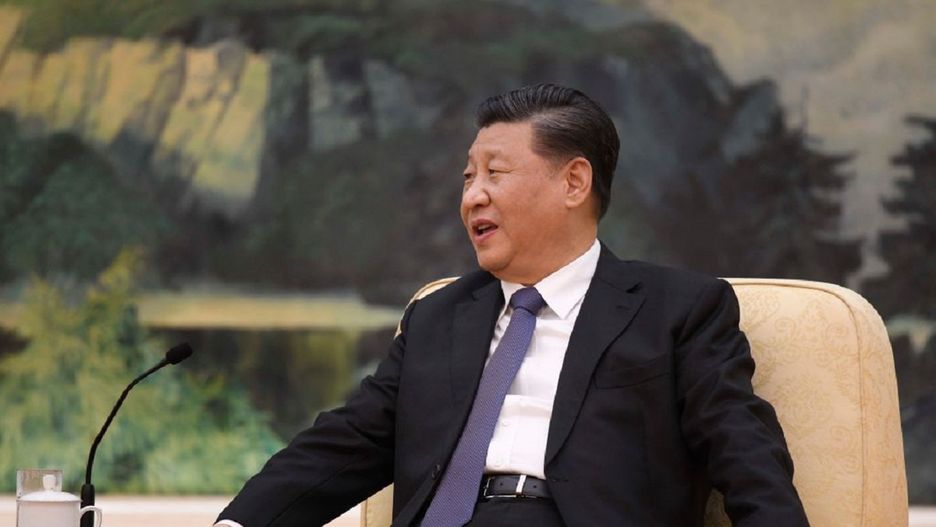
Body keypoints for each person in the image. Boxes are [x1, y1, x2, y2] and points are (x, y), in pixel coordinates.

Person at [216, 84, 808, 526]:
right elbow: (348, 441)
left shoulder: (677, 310)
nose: (472, 196)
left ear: (574, 183)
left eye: (494, 173)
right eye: (467, 177)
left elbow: (745, 454)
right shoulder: (437, 317)